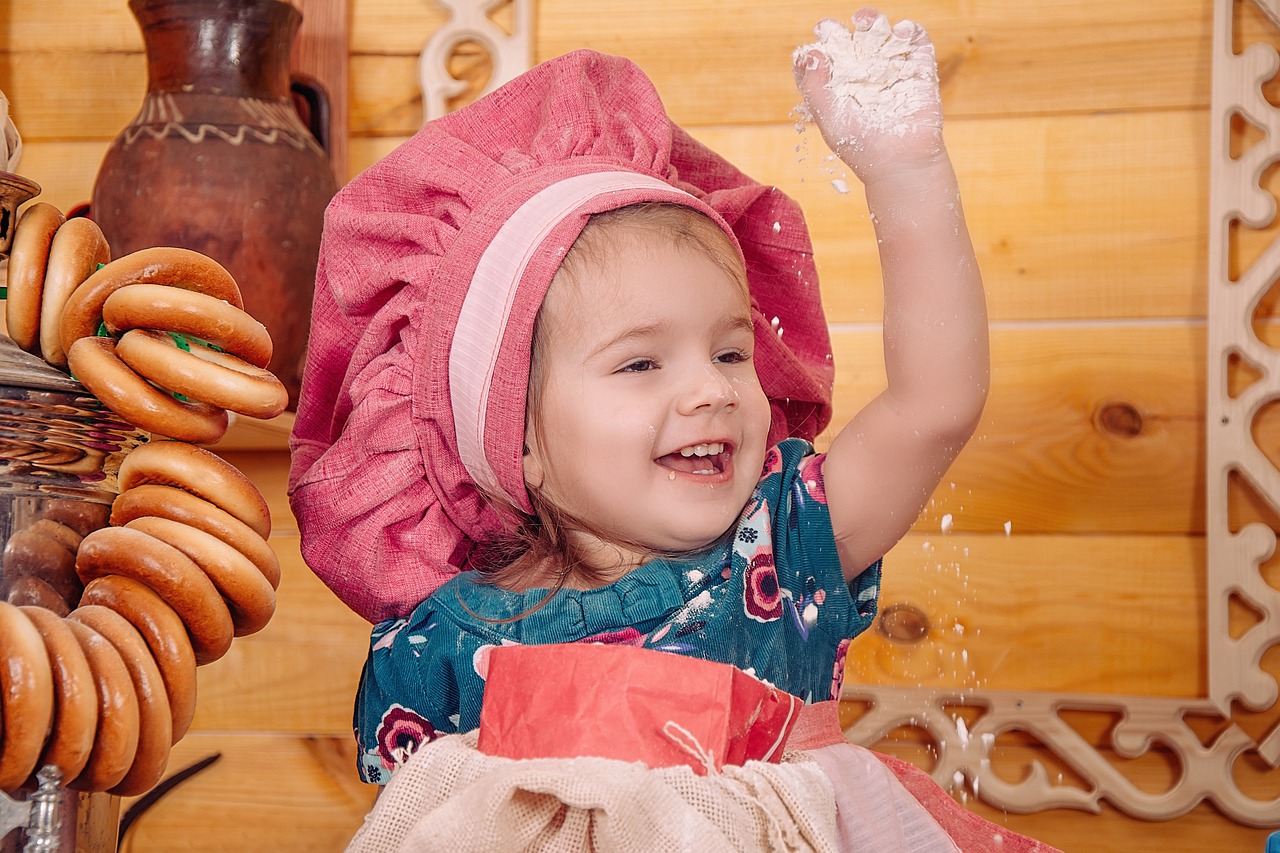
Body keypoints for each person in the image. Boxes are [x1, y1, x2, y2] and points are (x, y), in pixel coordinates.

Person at [291, 9, 1055, 852]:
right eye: (641, 364)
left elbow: (933, 405)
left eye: (731, 352)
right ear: (519, 444)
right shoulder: (433, 646)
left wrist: (906, 171)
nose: (711, 390)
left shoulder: (786, 545)